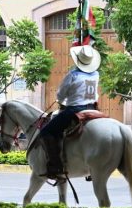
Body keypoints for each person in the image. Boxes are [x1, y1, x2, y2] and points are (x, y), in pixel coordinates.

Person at [39, 44, 101, 179]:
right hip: (93, 109)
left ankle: (55, 166)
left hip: (75, 110)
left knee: (46, 132)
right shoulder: (96, 74)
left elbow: (61, 95)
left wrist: (61, 100)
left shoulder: (72, 74)